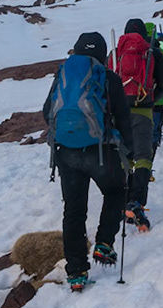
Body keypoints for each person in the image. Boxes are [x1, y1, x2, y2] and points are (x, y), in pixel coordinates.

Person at [43, 32, 132, 291]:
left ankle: (76, 273)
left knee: (73, 210)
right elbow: (124, 119)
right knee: (115, 191)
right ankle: (104, 244)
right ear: (103, 55)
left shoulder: (63, 75)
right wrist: (131, 152)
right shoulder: (108, 77)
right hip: (100, 152)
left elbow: (46, 112)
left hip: (66, 153)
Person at [110, 18, 163, 234]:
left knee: (125, 157)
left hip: (119, 112)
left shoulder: (115, 54)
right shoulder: (152, 53)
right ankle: (136, 202)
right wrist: (150, 101)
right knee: (143, 156)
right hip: (144, 111)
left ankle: (122, 201)